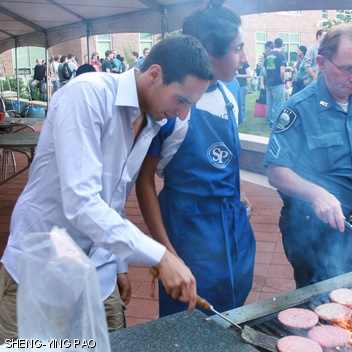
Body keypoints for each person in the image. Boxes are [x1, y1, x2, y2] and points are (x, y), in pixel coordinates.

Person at [0, 35, 214, 340]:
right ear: (154, 74)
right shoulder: (88, 95)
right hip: (39, 270)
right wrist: (161, 256)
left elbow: (111, 200)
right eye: (181, 100)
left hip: (96, 274)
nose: (182, 114)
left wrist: (118, 263)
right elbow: (82, 203)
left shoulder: (153, 121)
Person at [264, 23, 352, 288]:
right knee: (320, 306)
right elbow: (276, 171)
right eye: (347, 69)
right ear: (321, 62)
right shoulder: (298, 109)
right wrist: (316, 194)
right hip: (314, 232)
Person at [135, 0, 256, 317]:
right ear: (206, 52)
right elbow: (144, 180)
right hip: (188, 231)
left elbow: (229, 155)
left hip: (233, 230)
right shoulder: (172, 108)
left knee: (233, 314)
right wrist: (166, 254)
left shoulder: (230, 96)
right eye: (237, 48)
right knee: (187, 323)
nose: (244, 58)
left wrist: (238, 189)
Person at [264, 37, 287, 130]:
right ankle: (278, 124)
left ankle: (269, 124)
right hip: (277, 83)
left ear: (274, 44)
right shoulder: (281, 56)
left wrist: (267, 78)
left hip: (268, 82)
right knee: (278, 105)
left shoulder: (268, 55)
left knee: (269, 104)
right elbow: (282, 71)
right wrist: (283, 80)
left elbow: (264, 70)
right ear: (282, 45)